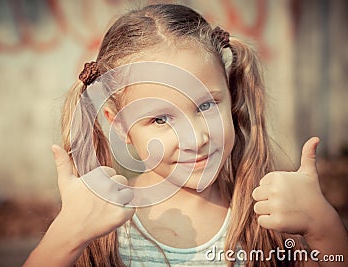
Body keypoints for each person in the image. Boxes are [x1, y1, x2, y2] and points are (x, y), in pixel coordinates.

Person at [23, 4, 347, 267]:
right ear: (120, 126)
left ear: (230, 95)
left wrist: (324, 230)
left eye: (205, 104)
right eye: (161, 119)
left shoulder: (271, 218)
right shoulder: (98, 229)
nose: (195, 138)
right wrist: (65, 238)